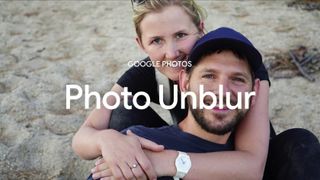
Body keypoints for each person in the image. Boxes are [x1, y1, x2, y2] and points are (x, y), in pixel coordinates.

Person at [89, 28, 320, 180]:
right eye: (209, 75)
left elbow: (253, 166)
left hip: (246, 152)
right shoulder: (138, 142)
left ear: (198, 29)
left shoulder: (252, 70)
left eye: (180, 35)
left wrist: (170, 161)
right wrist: (108, 138)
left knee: (300, 143)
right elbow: (88, 132)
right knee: (122, 112)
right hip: (168, 138)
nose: (171, 52)